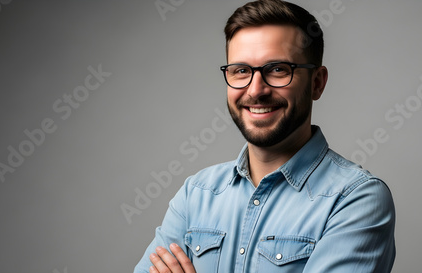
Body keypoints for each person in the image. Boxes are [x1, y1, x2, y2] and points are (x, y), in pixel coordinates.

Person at [134, 0, 396, 272]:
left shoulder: (356, 199)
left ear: (317, 82)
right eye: (241, 71)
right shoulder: (196, 194)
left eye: (278, 69)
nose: (256, 90)